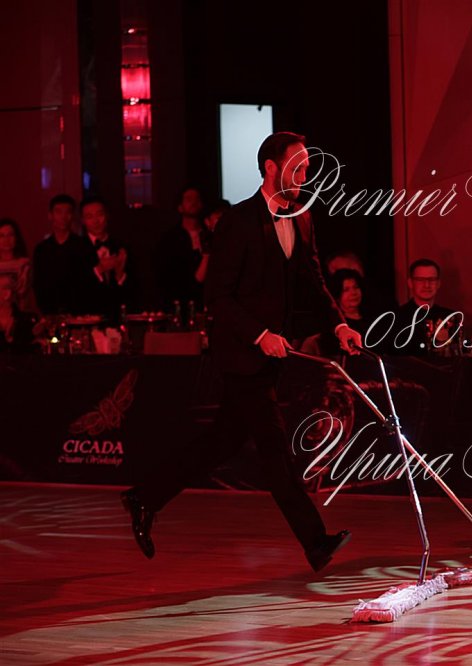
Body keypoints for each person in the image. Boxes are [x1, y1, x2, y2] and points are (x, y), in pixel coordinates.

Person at [121, 132, 363, 574]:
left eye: (307, 168)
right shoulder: (237, 221)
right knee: (274, 447)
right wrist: (260, 334)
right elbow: (218, 297)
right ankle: (315, 542)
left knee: (221, 442)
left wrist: (340, 324)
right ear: (271, 168)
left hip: (271, 356)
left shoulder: (303, 217)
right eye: (297, 167)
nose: (305, 175)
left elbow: (313, 280)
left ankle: (144, 497)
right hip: (242, 354)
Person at [33, 194, 90, 314]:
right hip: (50, 312)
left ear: (72, 215)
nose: (63, 217)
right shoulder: (42, 249)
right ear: (50, 215)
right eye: (58, 212)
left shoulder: (83, 245)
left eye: (68, 212)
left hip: (79, 312)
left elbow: (87, 282)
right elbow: (38, 283)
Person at [388, 259, 457, 356]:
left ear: (438, 283)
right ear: (410, 283)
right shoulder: (396, 319)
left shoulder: (450, 317)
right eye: (420, 280)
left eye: (432, 280)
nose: (427, 285)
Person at [156, 186, 210, 308]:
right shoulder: (170, 239)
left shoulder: (209, 235)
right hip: (179, 302)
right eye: (189, 199)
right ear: (180, 206)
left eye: (197, 199)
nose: (194, 202)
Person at [78, 196, 132, 320]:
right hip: (87, 318)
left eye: (99, 214)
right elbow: (74, 288)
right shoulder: (75, 249)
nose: (96, 221)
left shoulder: (121, 246)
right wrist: (99, 269)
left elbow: (132, 289)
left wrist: (120, 275)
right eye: (89, 217)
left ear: (107, 216)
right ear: (83, 221)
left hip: (117, 317)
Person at [0, 218, 32, 311]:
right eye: (2, 236)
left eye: (10, 235)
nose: (6, 240)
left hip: (17, 313)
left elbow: (22, 293)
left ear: (16, 238)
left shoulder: (24, 264)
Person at [0, 273, 35, 353]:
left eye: (10, 289)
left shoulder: (24, 319)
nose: (9, 293)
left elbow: (26, 347)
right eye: (3, 289)